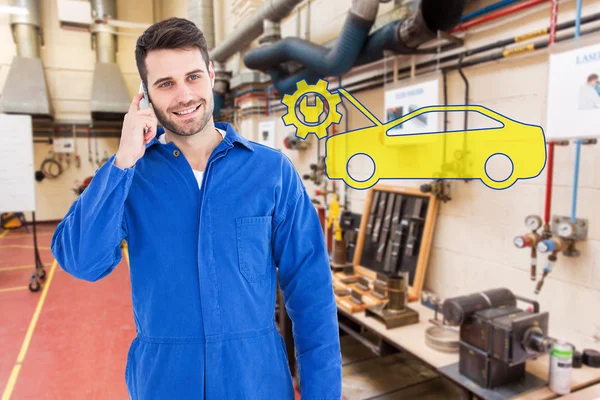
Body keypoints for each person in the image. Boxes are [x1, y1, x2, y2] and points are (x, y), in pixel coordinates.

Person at [51, 17, 342, 400]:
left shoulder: (271, 172)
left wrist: (323, 393)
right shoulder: (131, 176)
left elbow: (312, 295)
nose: (184, 95)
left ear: (209, 74)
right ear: (145, 95)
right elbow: (83, 261)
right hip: (166, 384)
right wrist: (122, 161)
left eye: (192, 77)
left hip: (256, 383)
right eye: (165, 84)